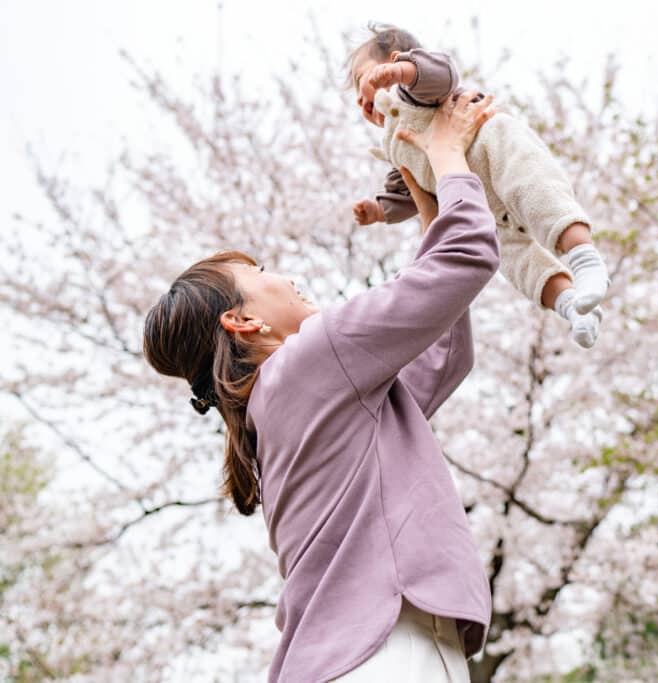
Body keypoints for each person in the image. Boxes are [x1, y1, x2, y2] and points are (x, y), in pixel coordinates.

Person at [143, 90, 499, 682]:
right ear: (243, 320)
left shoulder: (284, 402)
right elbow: (467, 256)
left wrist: (429, 200)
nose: (285, 275)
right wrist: (447, 151)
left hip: (360, 652)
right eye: (260, 275)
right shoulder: (312, 360)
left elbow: (441, 359)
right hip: (384, 650)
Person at [347, 23, 610, 348]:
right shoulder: (394, 144)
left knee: (538, 195)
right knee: (512, 259)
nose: (361, 100)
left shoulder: (414, 91)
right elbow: (404, 191)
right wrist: (377, 210)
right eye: (355, 97)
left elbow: (442, 73)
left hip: (495, 152)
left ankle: (583, 256)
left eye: (362, 81)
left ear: (393, 62)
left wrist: (402, 73)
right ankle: (571, 305)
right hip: (482, 207)